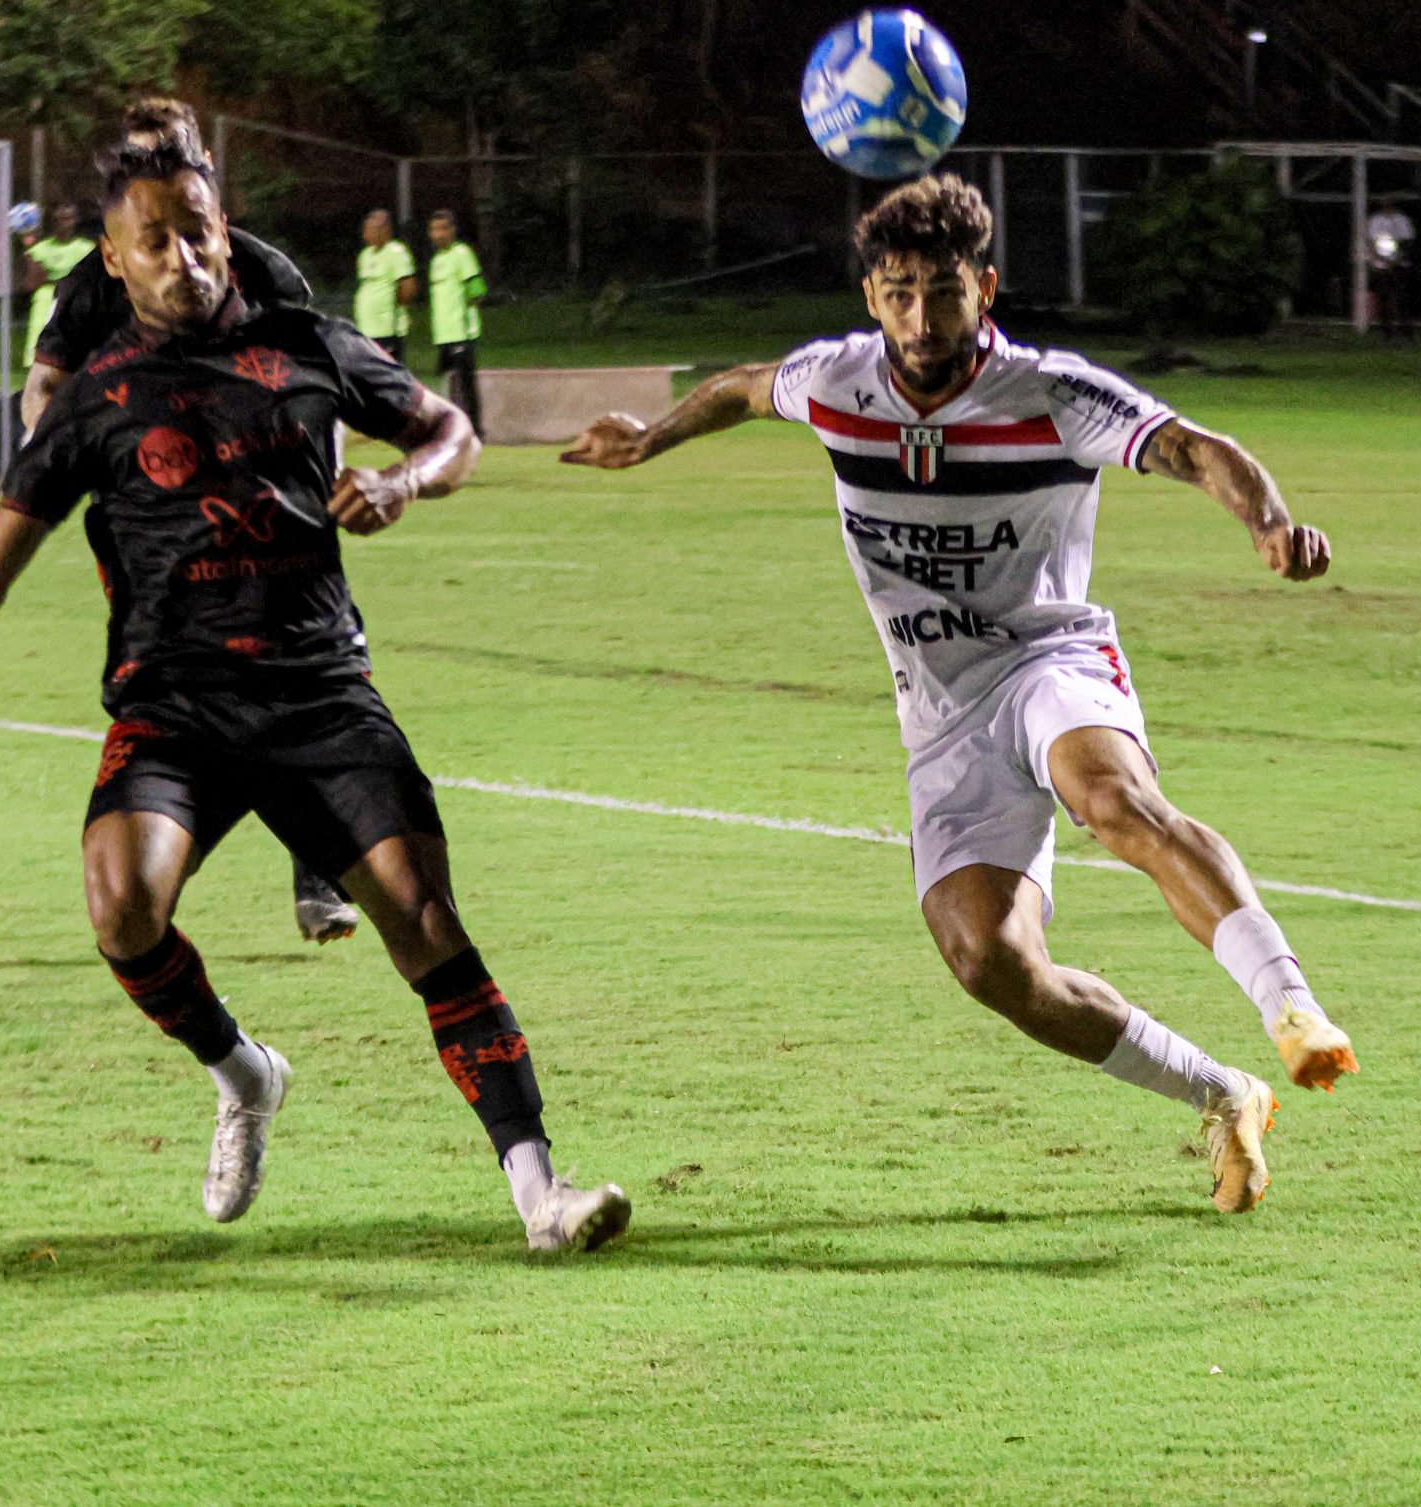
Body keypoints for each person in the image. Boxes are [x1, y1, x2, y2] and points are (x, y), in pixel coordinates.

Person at [0, 98, 630, 1253]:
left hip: (318, 691)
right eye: (155, 238)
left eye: (197, 229)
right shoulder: (94, 397)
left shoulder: (301, 339)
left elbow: (450, 426)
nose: (184, 255)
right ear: (114, 256)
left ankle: (538, 1192)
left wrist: (406, 485)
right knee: (122, 905)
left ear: (221, 224)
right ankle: (244, 1072)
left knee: (425, 921)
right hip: (174, 709)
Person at [562, 174, 1356, 1216]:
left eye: (943, 291)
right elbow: (742, 387)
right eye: (897, 293)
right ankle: (1223, 1094)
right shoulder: (837, 381)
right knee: (990, 962)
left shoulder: (1050, 392)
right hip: (939, 705)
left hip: (1049, 660)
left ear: (985, 286)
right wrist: (651, 437)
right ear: (870, 296)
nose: (920, 318)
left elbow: (1194, 447)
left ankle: (1292, 1010)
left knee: (1115, 803)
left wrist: (1266, 522)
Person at [19, 104, 364, 951]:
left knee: (306, 653)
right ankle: (165, 836)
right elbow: (44, 389)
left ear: (204, 165)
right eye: (136, 158)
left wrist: (319, 475)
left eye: (168, 154)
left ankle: (316, 861)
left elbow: (314, 378)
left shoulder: (265, 271)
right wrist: (62, 461)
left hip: (263, 503)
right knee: (176, 663)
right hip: (153, 513)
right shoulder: (94, 283)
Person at [426, 209, 487, 426]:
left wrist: (464, 314)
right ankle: (449, 430)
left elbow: (478, 289)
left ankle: (475, 430)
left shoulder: (462, 253)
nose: (439, 234)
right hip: (443, 333)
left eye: (443, 228)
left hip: (462, 332)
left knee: (466, 385)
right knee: (445, 385)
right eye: (434, 229)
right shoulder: (436, 261)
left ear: (452, 230)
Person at [20, 203, 97, 363]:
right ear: (53, 222)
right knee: (41, 357)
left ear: (76, 221)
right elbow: (31, 282)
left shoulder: (87, 248)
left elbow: (93, 278)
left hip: (76, 308)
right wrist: (70, 277)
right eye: (60, 219)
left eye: (69, 219)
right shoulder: (40, 249)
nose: (65, 224)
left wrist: (52, 275)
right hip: (45, 307)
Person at [353, 209, 418, 364]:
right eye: (365, 230)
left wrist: (394, 307)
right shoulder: (365, 255)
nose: (366, 235)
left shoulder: (396, 252)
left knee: (390, 374)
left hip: (388, 329)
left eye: (371, 230)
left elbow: (408, 287)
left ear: (385, 230)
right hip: (366, 328)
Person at [1364, 201, 1415, 339]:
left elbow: (1407, 242)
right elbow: (1370, 242)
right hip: (1381, 266)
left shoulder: (1401, 220)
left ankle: (1406, 329)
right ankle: (1387, 331)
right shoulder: (1375, 220)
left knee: (1402, 298)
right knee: (1383, 298)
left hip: (1399, 265)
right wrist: (1380, 258)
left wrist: (1396, 259)